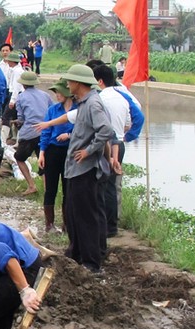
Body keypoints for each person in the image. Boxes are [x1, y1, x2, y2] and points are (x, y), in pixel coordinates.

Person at [61, 64, 113, 273]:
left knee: (86, 216)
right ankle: (77, 253)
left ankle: (91, 262)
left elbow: (106, 130)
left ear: (78, 83)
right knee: (73, 213)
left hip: (85, 169)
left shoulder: (93, 104)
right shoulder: (84, 103)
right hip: (76, 169)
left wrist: (88, 151)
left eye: (69, 81)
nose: (67, 84)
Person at [92, 64, 130, 239]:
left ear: (99, 81)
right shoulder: (122, 98)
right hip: (120, 143)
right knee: (112, 186)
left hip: (106, 144)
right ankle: (112, 225)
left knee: (103, 186)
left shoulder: (100, 99)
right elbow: (128, 124)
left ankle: (106, 226)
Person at [38, 79, 74, 232]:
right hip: (53, 151)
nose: (57, 95)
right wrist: (42, 152)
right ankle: (49, 224)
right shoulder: (53, 110)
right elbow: (46, 131)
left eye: (59, 92)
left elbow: (84, 129)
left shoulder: (79, 109)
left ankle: (67, 224)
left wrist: (69, 135)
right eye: (55, 93)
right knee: (50, 188)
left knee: (68, 189)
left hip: (70, 152)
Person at [13, 71, 52, 196]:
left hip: (30, 132)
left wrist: (17, 123)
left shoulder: (21, 97)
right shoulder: (45, 95)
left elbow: (21, 118)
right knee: (44, 161)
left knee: (19, 157)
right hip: (46, 131)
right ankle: (47, 190)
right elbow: (52, 111)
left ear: (23, 84)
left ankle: (31, 185)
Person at [2, 52, 25, 143]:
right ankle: (19, 140)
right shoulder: (16, 70)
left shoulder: (16, 71)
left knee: (6, 117)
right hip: (17, 94)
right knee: (17, 117)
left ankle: (3, 140)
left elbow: (16, 87)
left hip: (15, 95)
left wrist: (12, 100)